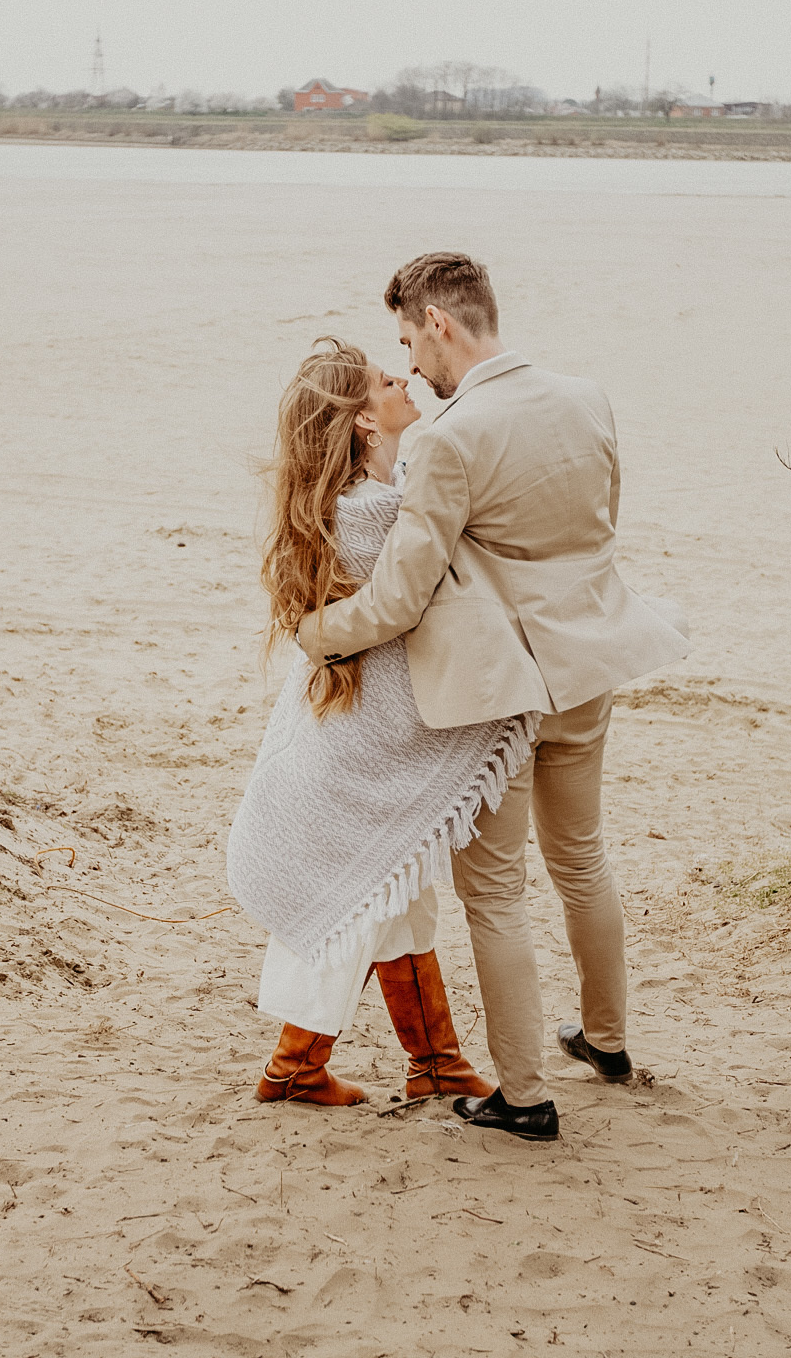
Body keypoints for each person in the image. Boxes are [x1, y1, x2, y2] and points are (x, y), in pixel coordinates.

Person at [293, 252, 687, 1142]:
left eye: (406, 339)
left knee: (498, 895)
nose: (411, 366)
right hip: (591, 659)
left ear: (439, 323)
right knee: (582, 857)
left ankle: (522, 1095)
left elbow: (399, 598)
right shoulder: (586, 397)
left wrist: (314, 635)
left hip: (505, 688)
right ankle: (608, 1042)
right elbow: (598, 528)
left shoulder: (447, 438)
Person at [226, 337, 520, 1107]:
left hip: (344, 747)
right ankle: (294, 1068)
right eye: (388, 381)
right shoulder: (372, 514)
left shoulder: (359, 502)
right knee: (356, 903)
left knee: (398, 895)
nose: (405, 381)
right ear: (362, 419)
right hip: (350, 758)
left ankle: (435, 1062)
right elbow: (422, 594)